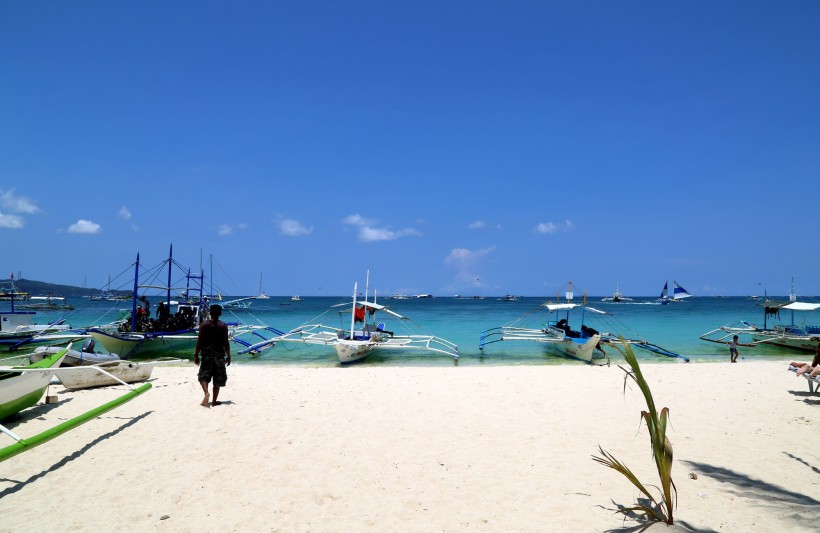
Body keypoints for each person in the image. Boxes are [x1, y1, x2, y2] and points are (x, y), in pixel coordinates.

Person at [194, 304, 231, 407]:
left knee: (203, 377)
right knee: (217, 379)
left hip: (206, 355)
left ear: (210, 313)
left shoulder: (204, 325)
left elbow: (199, 341)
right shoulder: (223, 325)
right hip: (219, 356)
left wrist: (196, 355)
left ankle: (206, 393)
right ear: (220, 313)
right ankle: (214, 401)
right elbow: (226, 342)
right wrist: (229, 355)